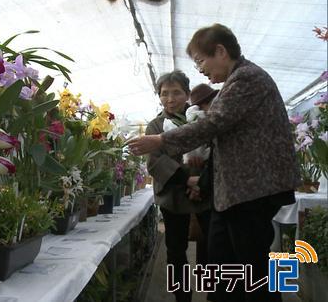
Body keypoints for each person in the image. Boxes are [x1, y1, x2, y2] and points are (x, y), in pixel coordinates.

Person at [128, 24, 298, 302]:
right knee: (222, 264)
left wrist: (160, 140)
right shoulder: (236, 81)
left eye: (200, 61)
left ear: (220, 51)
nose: (200, 70)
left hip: (252, 191)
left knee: (251, 271)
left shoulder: (246, 79)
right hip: (233, 193)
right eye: (164, 94)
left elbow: (213, 125)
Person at [145, 70, 211, 302]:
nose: (170, 99)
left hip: (204, 192)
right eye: (164, 94)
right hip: (173, 195)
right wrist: (187, 179)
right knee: (175, 249)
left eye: (176, 93)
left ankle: (212, 292)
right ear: (159, 96)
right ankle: (182, 297)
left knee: (210, 246)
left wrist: (201, 180)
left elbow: (214, 150)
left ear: (187, 94)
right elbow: (155, 162)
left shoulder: (200, 119)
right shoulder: (155, 126)